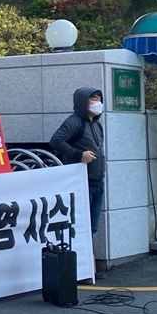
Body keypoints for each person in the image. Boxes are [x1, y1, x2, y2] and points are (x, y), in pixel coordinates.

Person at [51, 88, 108, 235]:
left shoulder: (96, 124)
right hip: (83, 182)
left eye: (99, 99)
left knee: (92, 227)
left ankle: (90, 250)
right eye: (94, 99)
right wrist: (79, 154)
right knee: (82, 226)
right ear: (83, 102)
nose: (98, 102)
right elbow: (56, 141)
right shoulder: (74, 121)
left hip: (98, 182)